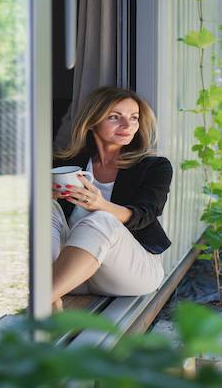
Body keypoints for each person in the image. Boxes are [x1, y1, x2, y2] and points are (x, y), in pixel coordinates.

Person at [51, 86, 173, 311]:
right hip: (72, 274)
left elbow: (144, 215)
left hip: (128, 272)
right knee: (43, 207)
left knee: (102, 219)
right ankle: (51, 291)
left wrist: (101, 205)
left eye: (134, 118)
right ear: (92, 120)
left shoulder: (155, 167)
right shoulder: (65, 164)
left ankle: (42, 298)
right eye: (115, 117)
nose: (128, 126)